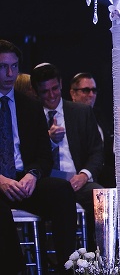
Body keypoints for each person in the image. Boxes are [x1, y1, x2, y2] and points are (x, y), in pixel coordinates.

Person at [0, 40, 78, 275]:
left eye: (14, 66)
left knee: (61, 190)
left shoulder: (30, 106)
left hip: (24, 179)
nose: (10, 74)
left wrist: (33, 174)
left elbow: (44, 156)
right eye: (3, 67)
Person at [31, 63, 104, 251]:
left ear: (61, 84)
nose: (52, 95)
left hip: (77, 179)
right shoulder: (30, 115)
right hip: (46, 183)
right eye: (45, 91)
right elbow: (28, 156)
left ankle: (100, 256)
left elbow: (97, 151)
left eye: (55, 88)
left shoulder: (81, 112)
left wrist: (84, 175)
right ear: (36, 92)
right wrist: (49, 139)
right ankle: (61, 260)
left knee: (102, 197)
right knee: (57, 197)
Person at [70, 72, 115, 188]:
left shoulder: (100, 116)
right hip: (78, 175)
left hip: (102, 172)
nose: (91, 95)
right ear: (73, 93)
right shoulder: (67, 118)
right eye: (86, 90)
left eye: (94, 91)